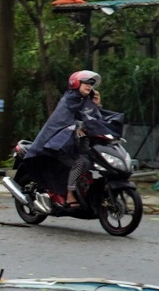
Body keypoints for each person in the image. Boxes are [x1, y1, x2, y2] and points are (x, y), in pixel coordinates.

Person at [29, 70, 114, 200]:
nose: (89, 86)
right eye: (86, 83)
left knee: (94, 162)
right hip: (60, 145)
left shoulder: (86, 101)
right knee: (80, 163)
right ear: (76, 83)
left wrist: (96, 105)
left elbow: (95, 120)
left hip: (78, 144)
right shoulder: (68, 100)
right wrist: (75, 128)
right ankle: (70, 194)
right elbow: (63, 121)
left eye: (91, 84)